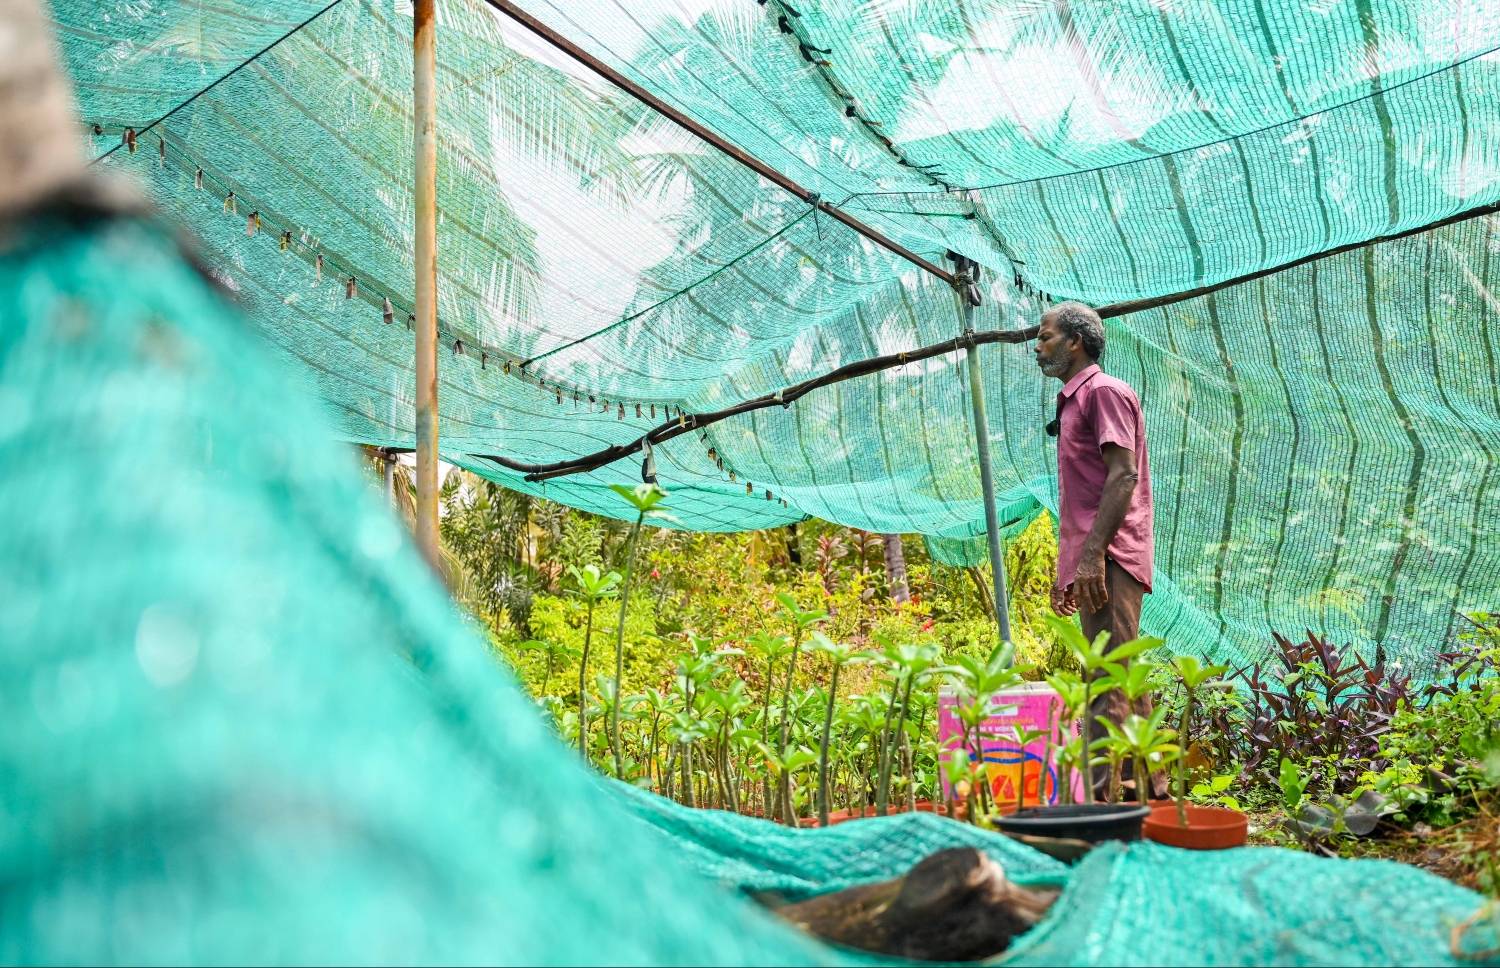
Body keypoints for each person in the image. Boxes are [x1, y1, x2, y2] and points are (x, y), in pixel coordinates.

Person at [1032, 302, 1162, 800]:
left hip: (1111, 555)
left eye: (1045, 336)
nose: (1037, 346)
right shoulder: (1073, 400)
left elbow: (1123, 475)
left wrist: (1092, 558)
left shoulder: (1103, 392)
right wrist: (1069, 568)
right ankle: (1152, 792)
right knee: (1119, 672)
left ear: (1075, 342)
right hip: (1096, 555)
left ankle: (1098, 804)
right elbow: (1083, 496)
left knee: (1105, 680)